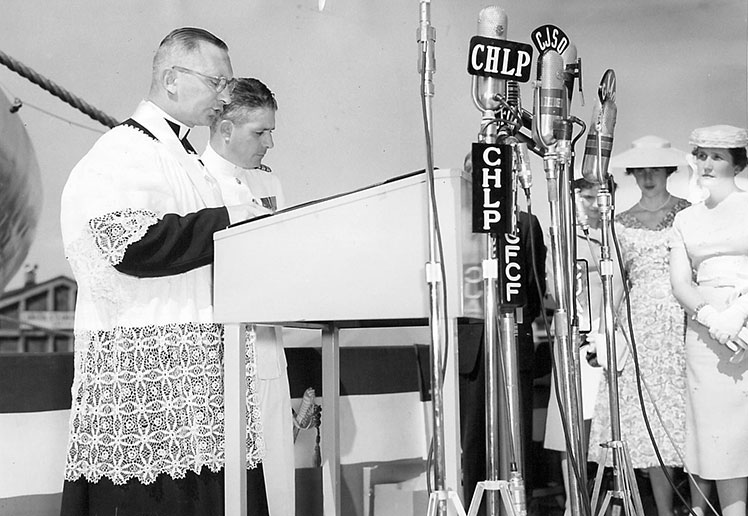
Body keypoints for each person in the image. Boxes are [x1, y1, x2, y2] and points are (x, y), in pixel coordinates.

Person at [59, 28, 272, 516]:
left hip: (200, 384)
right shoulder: (122, 150)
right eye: (218, 82)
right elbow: (130, 244)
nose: (225, 96)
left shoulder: (188, 158)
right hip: (148, 387)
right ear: (172, 79)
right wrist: (233, 218)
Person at [201, 78, 295, 516]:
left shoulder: (270, 183)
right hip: (215, 356)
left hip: (267, 350)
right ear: (225, 129)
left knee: (276, 480)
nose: (270, 142)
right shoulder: (193, 181)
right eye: (260, 132)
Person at [586, 136, 689, 516]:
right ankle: (663, 510)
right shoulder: (620, 222)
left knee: (686, 417)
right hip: (640, 323)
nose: (648, 176)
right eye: (641, 169)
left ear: (667, 171)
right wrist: (603, 332)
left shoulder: (688, 214)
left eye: (655, 168)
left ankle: (695, 506)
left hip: (682, 318)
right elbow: (613, 284)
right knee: (648, 424)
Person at [459, 152, 548, 514]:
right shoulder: (457, 223)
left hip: (513, 342)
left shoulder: (525, 224)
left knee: (516, 444)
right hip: (472, 351)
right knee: (473, 443)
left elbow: (535, 285)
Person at [669, 125, 748, 516]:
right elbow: (681, 282)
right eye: (701, 155)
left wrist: (738, 313)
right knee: (721, 442)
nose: (707, 164)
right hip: (706, 338)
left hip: (745, 322)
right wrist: (712, 317)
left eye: (718, 156)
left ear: (737, 163)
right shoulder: (686, 220)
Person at [542, 177, 614, 515]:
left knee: (609, 428)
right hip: (576, 339)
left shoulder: (614, 236)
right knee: (571, 430)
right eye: (583, 198)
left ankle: (607, 500)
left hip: (611, 339)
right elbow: (555, 289)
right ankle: (575, 504)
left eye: (594, 198)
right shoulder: (562, 239)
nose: (590, 205)